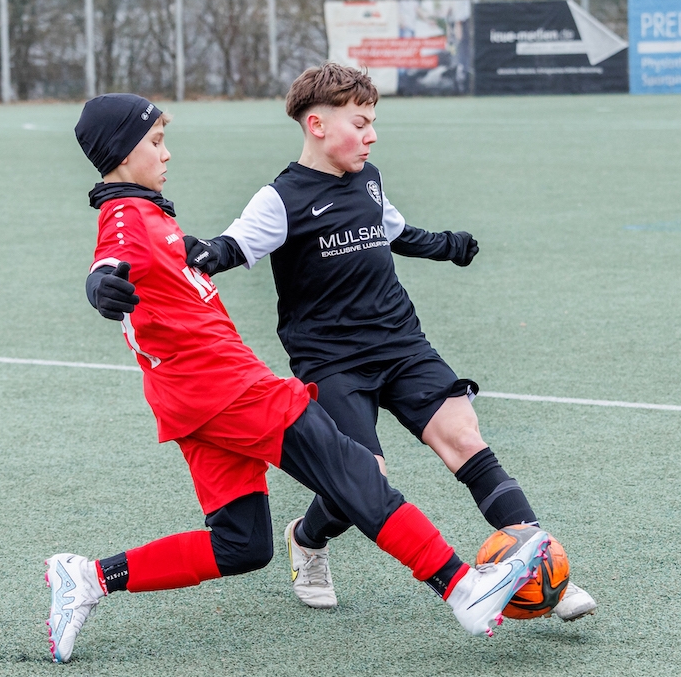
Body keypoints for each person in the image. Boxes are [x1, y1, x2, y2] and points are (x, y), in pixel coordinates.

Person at [49, 92, 551, 664]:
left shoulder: (148, 210)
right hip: (228, 389)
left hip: (190, 402)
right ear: (122, 153)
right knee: (355, 471)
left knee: (242, 545)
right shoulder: (126, 215)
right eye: (156, 142)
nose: (167, 154)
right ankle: (462, 589)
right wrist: (100, 288)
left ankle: (87, 578)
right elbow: (108, 263)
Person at [178, 63, 596, 621]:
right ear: (317, 125)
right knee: (365, 476)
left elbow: (395, 232)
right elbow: (232, 246)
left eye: (373, 122)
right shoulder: (282, 198)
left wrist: (449, 245)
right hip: (332, 361)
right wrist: (199, 253)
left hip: (401, 342)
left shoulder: (369, 180)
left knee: (463, 438)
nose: (372, 135)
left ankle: (545, 569)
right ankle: (307, 538)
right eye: (361, 123)